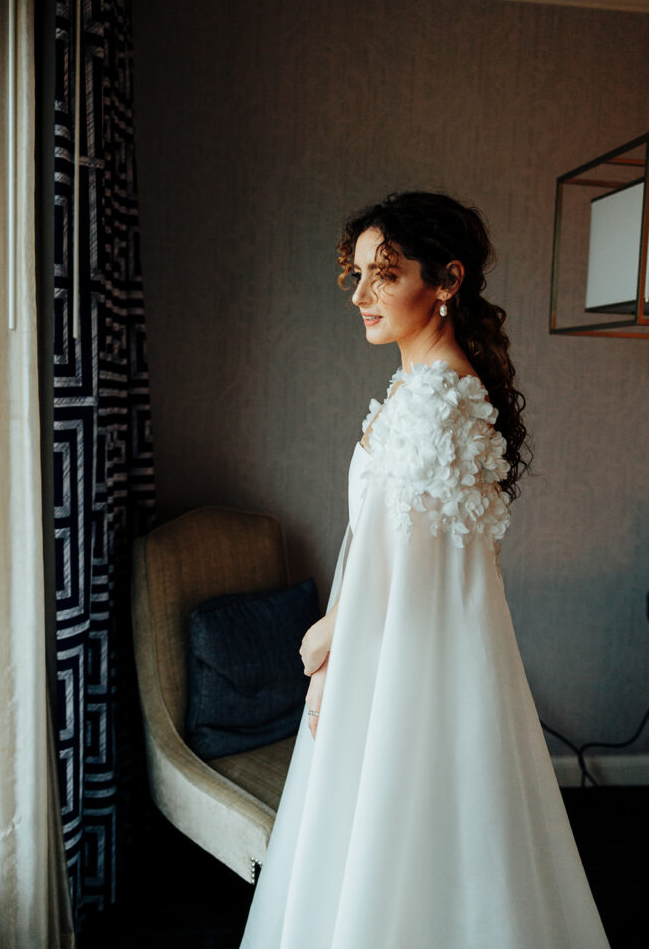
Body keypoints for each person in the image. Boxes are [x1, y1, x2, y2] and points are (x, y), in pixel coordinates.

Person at [238, 191, 610, 948]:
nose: (360, 294)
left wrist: (333, 633)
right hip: (419, 642)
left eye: (384, 273)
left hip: (403, 651)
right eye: (357, 274)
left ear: (445, 281)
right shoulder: (428, 387)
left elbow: (407, 561)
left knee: (403, 839)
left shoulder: (438, 401)